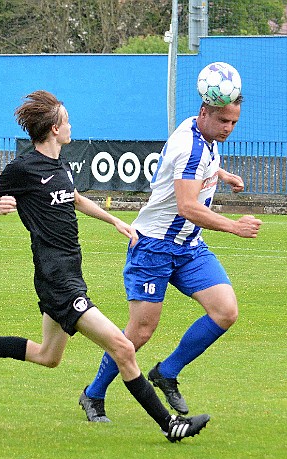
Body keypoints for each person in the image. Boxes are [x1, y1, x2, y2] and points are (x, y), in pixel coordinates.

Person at [0, 90, 210, 442]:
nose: (70, 125)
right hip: (57, 280)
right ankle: (171, 425)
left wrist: (114, 221)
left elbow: (75, 199)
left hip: (66, 274)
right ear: (53, 128)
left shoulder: (59, 166)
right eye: (66, 120)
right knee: (123, 347)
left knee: (47, 356)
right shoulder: (24, 167)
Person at [79, 94, 262, 422]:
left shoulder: (200, 132)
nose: (229, 128)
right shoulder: (187, 145)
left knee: (225, 311)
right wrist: (234, 227)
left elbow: (202, 162)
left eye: (234, 122)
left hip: (190, 246)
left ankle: (167, 372)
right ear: (204, 112)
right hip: (154, 248)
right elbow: (187, 207)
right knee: (140, 332)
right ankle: (93, 393)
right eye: (223, 121)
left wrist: (222, 174)